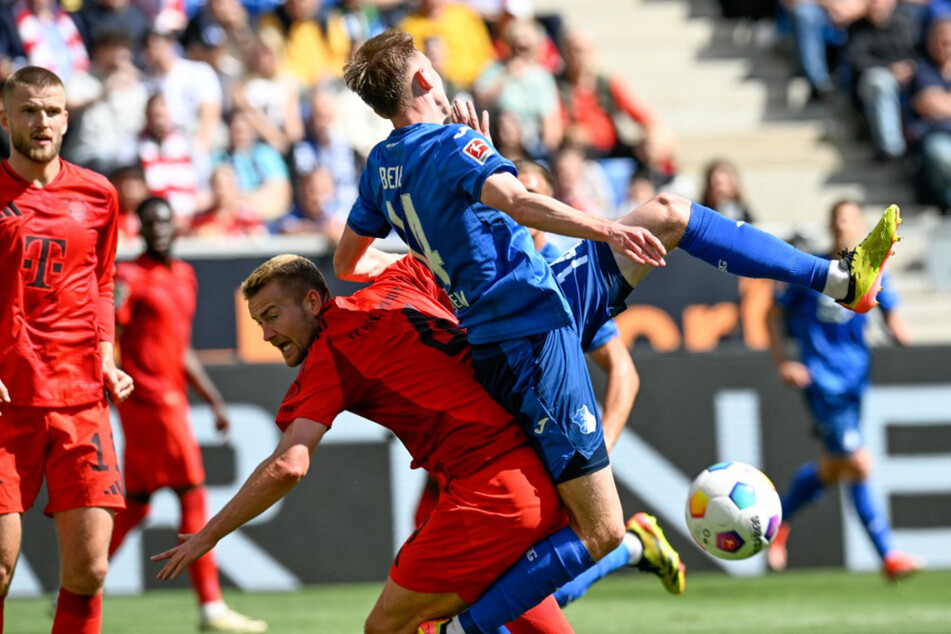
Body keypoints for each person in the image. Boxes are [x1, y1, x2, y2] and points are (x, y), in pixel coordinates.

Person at [335, 29, 899, 634]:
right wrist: (603, 228)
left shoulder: (380, 168)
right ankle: (463, 630)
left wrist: (434, 268)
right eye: (432, 69)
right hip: (529, 337)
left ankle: (839, 279)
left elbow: (347, 263)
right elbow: (518, 203)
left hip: (532, 305)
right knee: (600, 531)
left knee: (669, 214)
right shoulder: (449, 143)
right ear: (423, 80)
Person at [0, 65, 134, 634]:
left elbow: (102, 284)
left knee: (90, 569)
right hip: (8, 402)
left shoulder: (98, 193)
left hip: (81, 397)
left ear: (67, 117)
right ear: (5, 117)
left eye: (52, 110)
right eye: (29, 110)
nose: (41, 121)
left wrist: (106, 355)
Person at [110, 197, 267, 632]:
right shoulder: (129, 277)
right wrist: (111, 381)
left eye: (164, 222)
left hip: (173, 400)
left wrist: (213, 400)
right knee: (193, 493)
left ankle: (82, 581)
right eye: (149, 224)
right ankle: (211, 607)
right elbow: (109, 335)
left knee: (138, 505)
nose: (158, 230)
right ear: (140, 231)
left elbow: (178, 348)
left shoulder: (184, 276)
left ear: (176, 228)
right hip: (149, 404)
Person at [765, 198, 921, 581]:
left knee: (833, 468)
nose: (841, 225)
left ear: (863, 227)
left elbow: (897, 323)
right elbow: (772, 313)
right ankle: (888, 555)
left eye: (849, 219)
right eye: (836, 218)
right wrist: (784, 362)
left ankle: (778, 524)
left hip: (854, 382)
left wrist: (902, 333)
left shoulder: (873, 273)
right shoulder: (814, 271)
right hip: (822, 381)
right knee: (858, 464)